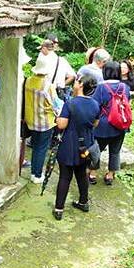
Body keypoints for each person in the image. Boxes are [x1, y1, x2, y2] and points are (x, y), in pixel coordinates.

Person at [53, 73, 100, 220]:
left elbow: (61, 124)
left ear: (80, 85)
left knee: (65, 177)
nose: (74, 83)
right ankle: (83, 202)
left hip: (69, 145)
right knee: (81, 174)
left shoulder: (70, 103)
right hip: (86, 146)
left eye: (76, 81)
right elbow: (95, 124)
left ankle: (59, 209)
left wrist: (57, 117)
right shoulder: (95, 104)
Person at [89, 60, 131, 186]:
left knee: (97, 149)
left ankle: (92, 173)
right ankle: (110, 175)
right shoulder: (125, 87)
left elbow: (95, 106)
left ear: (105, 72)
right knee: (115, 151)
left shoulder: (101, 87)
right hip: (120, 124)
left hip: (103, 125)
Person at [24, 54, 58, 184]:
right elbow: (55, 104)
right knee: (41, 148)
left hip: (31, 120)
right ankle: (36, 175)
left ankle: (34, 171)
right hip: (45, 122)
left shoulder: (28, 81)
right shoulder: (48, 86)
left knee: (35, 145)